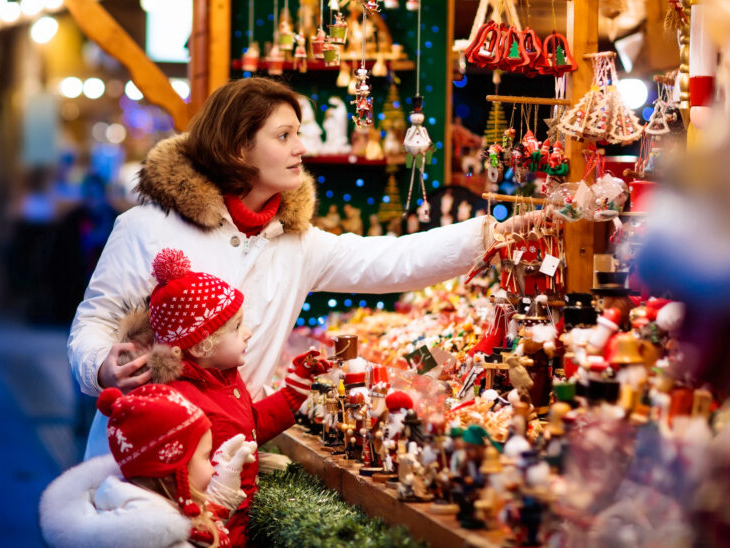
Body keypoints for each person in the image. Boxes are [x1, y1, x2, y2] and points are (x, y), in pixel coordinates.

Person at [68, 76, 544, 459]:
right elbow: (95, 321)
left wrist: (495, 232)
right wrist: (100, 366)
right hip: (136, 455)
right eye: (284, 136)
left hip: (225, 458)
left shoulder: (299, 244)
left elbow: (396, 260)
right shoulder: (148, 227)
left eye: (299, 133)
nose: (302, 148)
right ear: (238, 147)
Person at [122, 248, 331, 546]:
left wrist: (294, 390)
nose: (247, 333)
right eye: (236, 327)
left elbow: (247, 428)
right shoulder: (182, 404)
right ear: (200, 345)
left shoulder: (224, 379)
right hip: (219, 527)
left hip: (238, 517)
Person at [39, 383, 257, 548]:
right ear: (173, 469)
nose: (211, 468)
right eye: (205, 456)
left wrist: (223, 488)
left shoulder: (124, 501)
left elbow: (195, 521)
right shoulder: (169, 542)